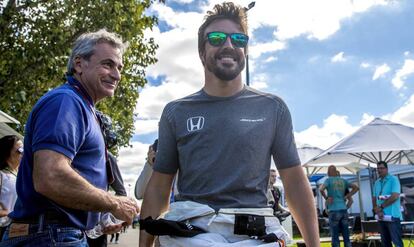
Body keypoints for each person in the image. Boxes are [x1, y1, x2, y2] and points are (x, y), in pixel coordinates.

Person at [139, 2, 319, 246]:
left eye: (238, 39)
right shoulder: (176, 112)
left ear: (245, 50)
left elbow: (294, 181)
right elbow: (159, 187)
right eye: (216, 38)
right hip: (192, 230)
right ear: (202, 52)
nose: (228, 45)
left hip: (254, 230)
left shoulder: (272, 108)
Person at [0, 29, 139, 246]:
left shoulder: (84, 107)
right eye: (107, 64)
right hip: (50, 235)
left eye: (119, 68)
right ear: (79, 64)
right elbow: (51, 176)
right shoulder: (66, 101)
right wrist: (113, 202)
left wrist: (97, 220)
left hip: (60, 233)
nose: (117, 75)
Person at [319, 165, 359, 247]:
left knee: (335, 236)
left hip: (333, 210)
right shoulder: (343, 181)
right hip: (343, 210)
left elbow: (321, 189)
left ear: (329, 172)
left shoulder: (328, 180)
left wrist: (326, 198)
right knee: (346, 236)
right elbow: (356, 188)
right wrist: (347, 197)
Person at [372, 161, 403, 247]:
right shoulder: (376, 182)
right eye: (378, 168)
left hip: (393, 216)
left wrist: (381, 207)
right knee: (385, 243)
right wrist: (377, 211)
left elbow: (395, 196)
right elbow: (374, 198)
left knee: (397, 243)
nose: (379, 170)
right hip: (381, 217)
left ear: (386, 169)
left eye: (381, 168)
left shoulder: (394, 179)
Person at [0, 135, 23, 238]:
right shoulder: (2, 175)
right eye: (20, 150)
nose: (23, 153)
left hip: (17, 230)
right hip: (3, 229)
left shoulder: (22, 176)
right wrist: (10, 212)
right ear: (7, 152)